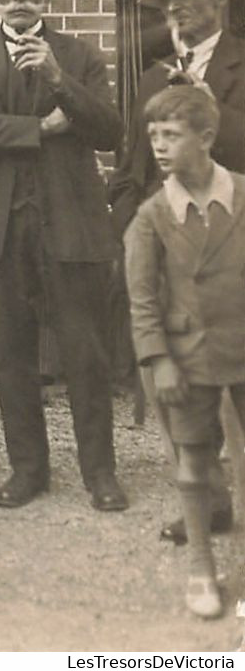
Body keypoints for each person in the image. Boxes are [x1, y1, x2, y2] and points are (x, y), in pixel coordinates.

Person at [0, 0, 127, 512]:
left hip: (69, 226)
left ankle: (100, 472)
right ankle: (29, 470)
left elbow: (109, 132)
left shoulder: (79, 57)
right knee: (13, 356)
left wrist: (58, 83)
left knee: (85, 355)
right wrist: (40, 130)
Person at [109, 0, 245, 545]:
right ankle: (208, 502)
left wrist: (210, 106)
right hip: (169, 253)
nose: (179, 10)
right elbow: (132, 162)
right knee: (181, 388)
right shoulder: (151, 76)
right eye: (169, 0)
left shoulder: (241, 64)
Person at [125, 86, 245, 619]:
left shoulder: (242, 197)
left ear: (207, 137)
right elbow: (143, 299)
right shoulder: (152, 216)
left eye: (171, 135)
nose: (159, 146)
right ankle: (202, 566)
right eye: (153, 136)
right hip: (186, 357)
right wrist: (159, 359)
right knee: (194, 460)